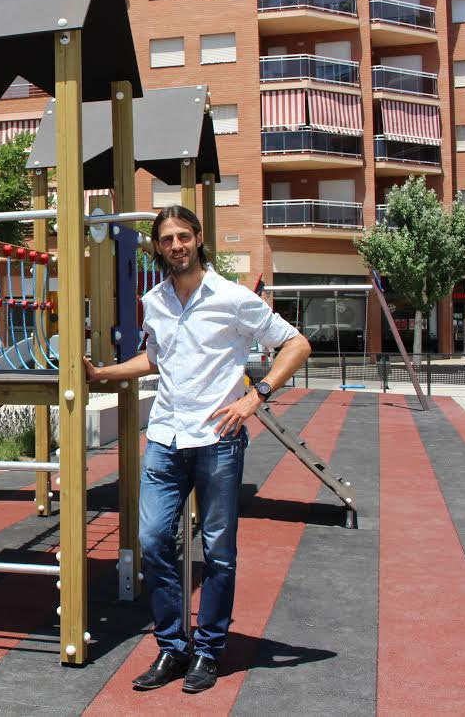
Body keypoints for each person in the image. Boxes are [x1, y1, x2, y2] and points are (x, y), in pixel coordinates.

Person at [85, 206, 310, 694]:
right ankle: (172, 646)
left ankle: (208, 650)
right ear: (158, 246)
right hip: (166, 437)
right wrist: (103, 374)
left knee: (219, 552)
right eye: (167, 239)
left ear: (198, 237)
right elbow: (156, 359)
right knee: (151, 541)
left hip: (218, 441)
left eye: (183, 236)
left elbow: (296, 344)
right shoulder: (154, 300)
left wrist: (256, 396)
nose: (176, 246)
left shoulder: (233, 298)